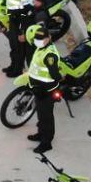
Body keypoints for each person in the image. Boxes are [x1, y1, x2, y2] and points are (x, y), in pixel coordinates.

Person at [24, 23, 61, 153]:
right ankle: (41, 134)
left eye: (41, 39)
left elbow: (55, 75)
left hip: (46, 91)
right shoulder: (41, 48)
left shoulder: (50, 55)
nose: (38, 42)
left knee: (46, 117)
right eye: (37, 39)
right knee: (40, 114)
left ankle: (46, 142)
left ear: (49, 38)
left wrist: (44, 89)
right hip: (39, 89)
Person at [3, 0, 33, 77]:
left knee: (18, 49)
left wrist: (21, 31)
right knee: (13, 46)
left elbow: (26, 9)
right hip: (13, 19)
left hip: (19, 21)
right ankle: (13, 65)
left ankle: (17, 70)